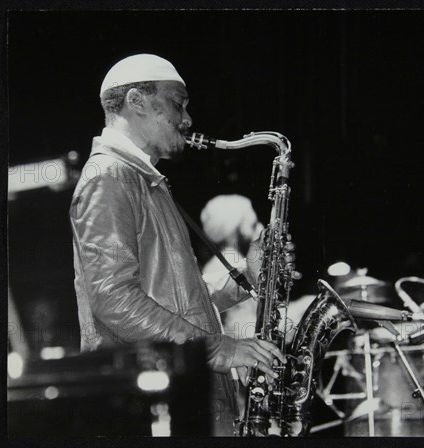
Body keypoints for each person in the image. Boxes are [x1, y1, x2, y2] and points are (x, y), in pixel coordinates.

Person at [69, 54, 284, 436]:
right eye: (177, 103)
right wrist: (218, 349)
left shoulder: (141, 178)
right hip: (155, 405)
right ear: (136, 101)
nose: (187, 119)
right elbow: (113, 298)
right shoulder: (108, 177)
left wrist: (247, 278)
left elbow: (176, 300)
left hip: (178, 393)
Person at [200, 194, 264, 341]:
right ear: (236, 229)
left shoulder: (233, 261)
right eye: (254, 224)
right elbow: (241, 330)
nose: (260, 228)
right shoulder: (221, 266)